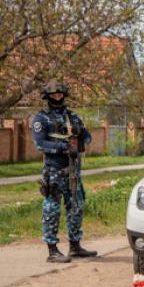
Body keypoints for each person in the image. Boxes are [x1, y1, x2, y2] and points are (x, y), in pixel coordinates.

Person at [31, 81, 97, 263]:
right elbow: (40, 143)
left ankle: (75, 246)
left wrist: (79, 142)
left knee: (76, 206)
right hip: (54, 170)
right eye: (54, 95)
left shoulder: (72, 116)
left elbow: (87, 136)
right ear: (47, 97)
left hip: (73, 171)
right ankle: (52, 250)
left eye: (60, 94)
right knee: (52, 209)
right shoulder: (41, 119)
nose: (58, 97)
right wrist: (63, 147)